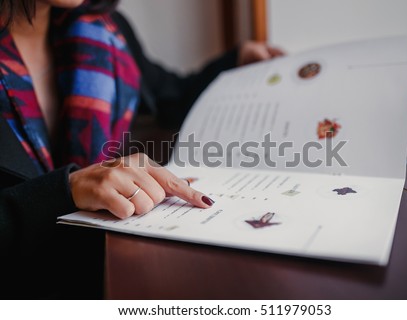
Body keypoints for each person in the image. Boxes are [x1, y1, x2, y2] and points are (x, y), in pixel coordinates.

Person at [0, 0, 283, 297]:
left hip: (108, 274)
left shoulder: (105, 32)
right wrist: (62, 193)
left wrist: (235, 63)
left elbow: (170, 98)